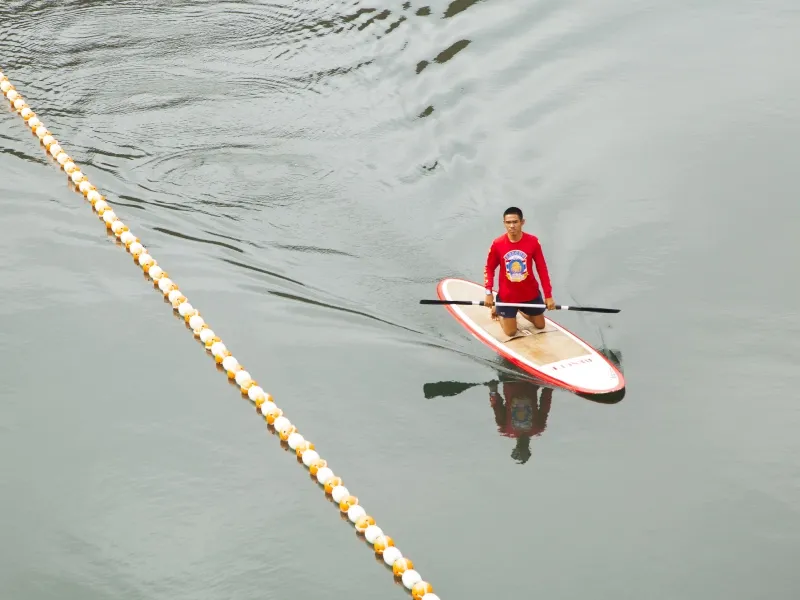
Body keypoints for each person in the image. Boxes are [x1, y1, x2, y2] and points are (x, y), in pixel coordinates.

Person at [483, 206, 555, 336]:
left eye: (515, 222)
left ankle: (519, 310)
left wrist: (548, 295)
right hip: (507, 296)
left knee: (540, 325)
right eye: (508, 222)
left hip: (530, 293)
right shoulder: (497, 244)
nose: (512, 226)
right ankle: (499, 309)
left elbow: (542, 268)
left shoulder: (533, 242)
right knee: (511, 332)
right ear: (504, 223)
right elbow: (489, 268)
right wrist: (488, 292)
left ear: (522, 222)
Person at [488, 377, 553, 464]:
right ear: (529, 450)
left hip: (509, 380)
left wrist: (493, 391)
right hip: (530, 381)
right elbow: (545, 403)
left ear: (515, 448)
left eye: (520, 449)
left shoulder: (505, 428)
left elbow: (497, 407)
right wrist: (549, 386)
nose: (522, 447)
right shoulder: (538, 427)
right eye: (523, 450)